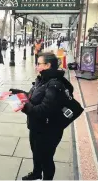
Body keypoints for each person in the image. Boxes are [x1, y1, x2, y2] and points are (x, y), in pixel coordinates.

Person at [10, 52, 73, 180]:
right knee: (36, 152)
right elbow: (34, 96)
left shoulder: (54, 85)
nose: (36, 66)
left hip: (48, 130)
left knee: (46, 158)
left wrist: (25, 107)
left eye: (39, 63)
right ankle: (36, 173)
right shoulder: (42, 79)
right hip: (36, 127)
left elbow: (43, 110)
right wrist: (17, 93)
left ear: (48, 65)